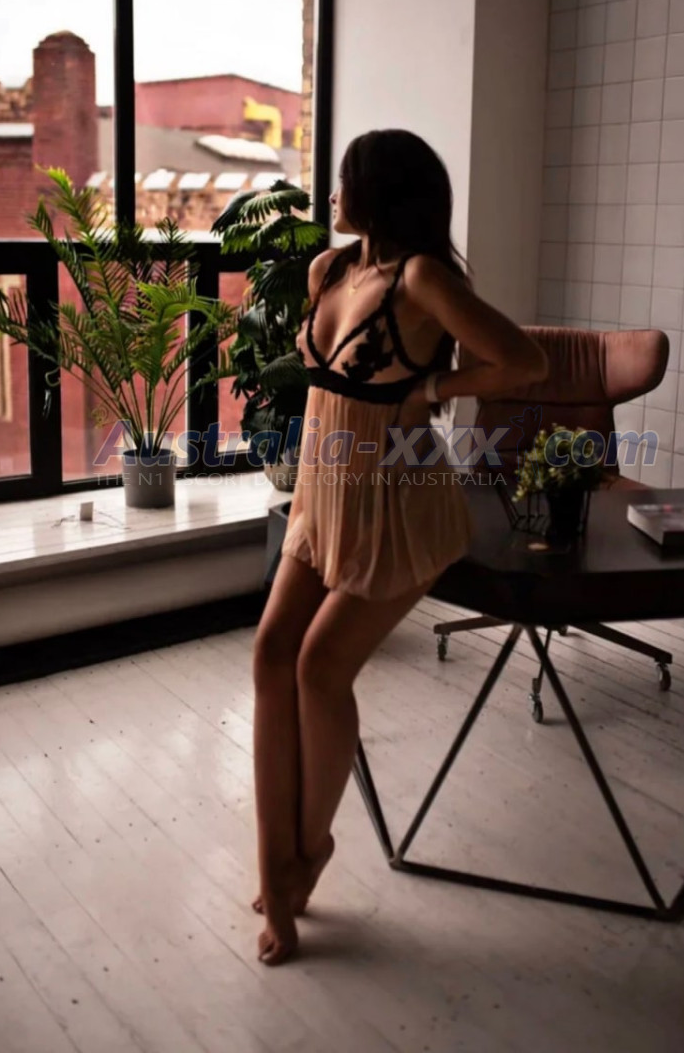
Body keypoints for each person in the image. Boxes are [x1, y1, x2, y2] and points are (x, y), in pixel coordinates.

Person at [251, 128, 548, 965]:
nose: (332, 191)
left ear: (379, 193)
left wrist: (435, 386)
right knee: (271, 657)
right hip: (325, 493)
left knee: (319, 669)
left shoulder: (421, 278)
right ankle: (278, 864)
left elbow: (522, 361)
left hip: (400, 499)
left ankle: (305, 857)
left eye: (346, 178)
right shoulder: (328, 270)